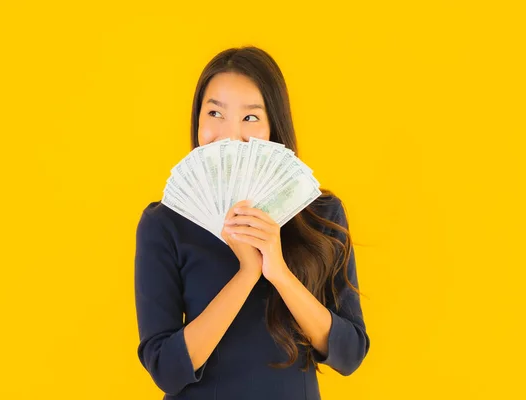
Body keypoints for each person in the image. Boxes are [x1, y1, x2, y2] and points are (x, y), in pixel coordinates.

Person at [134, 46, 370, 400]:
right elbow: (167, 370)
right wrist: (246, 273)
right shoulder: (165, 222)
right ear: (197, 120)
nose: (230, 135)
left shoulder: (319, 213)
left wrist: (278, 272)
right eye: (215, 112)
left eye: (250, 118)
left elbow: (349, 354)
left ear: (275, 126)